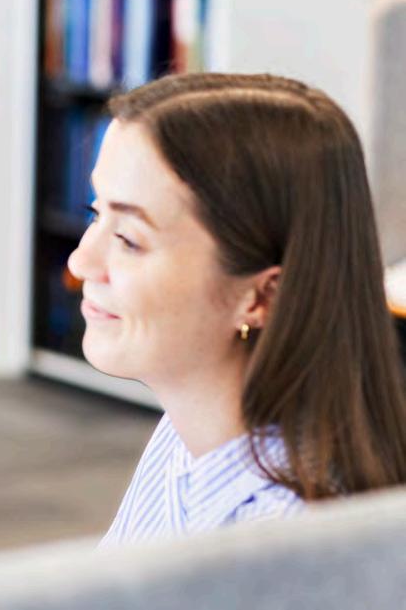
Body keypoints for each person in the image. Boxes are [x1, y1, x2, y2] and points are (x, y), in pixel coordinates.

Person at [67, 72, 406, 545]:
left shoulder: (284, 540)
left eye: (128, 238)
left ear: (261, 297)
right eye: (96, 213)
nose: (80, 261)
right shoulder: (188, 436)